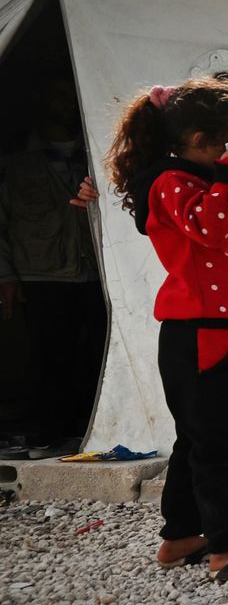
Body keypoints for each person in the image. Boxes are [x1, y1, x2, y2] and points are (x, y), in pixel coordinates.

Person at [104, 78, 228, 582]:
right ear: (202, 141)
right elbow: (216, 231)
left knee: (202, 438)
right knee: (219, 443)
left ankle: (182, 535)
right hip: (200, 331)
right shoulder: (170, 183)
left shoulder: (216, 182)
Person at [0, 81, 105, 453]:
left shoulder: (97, 154)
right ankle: (48, 433)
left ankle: (85, 427)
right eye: (55, 96)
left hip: (94, 272)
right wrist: (6, 275)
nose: (64, 106)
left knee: (93, 351)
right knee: (48, 355)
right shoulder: (13, 161)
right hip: (40, 273)